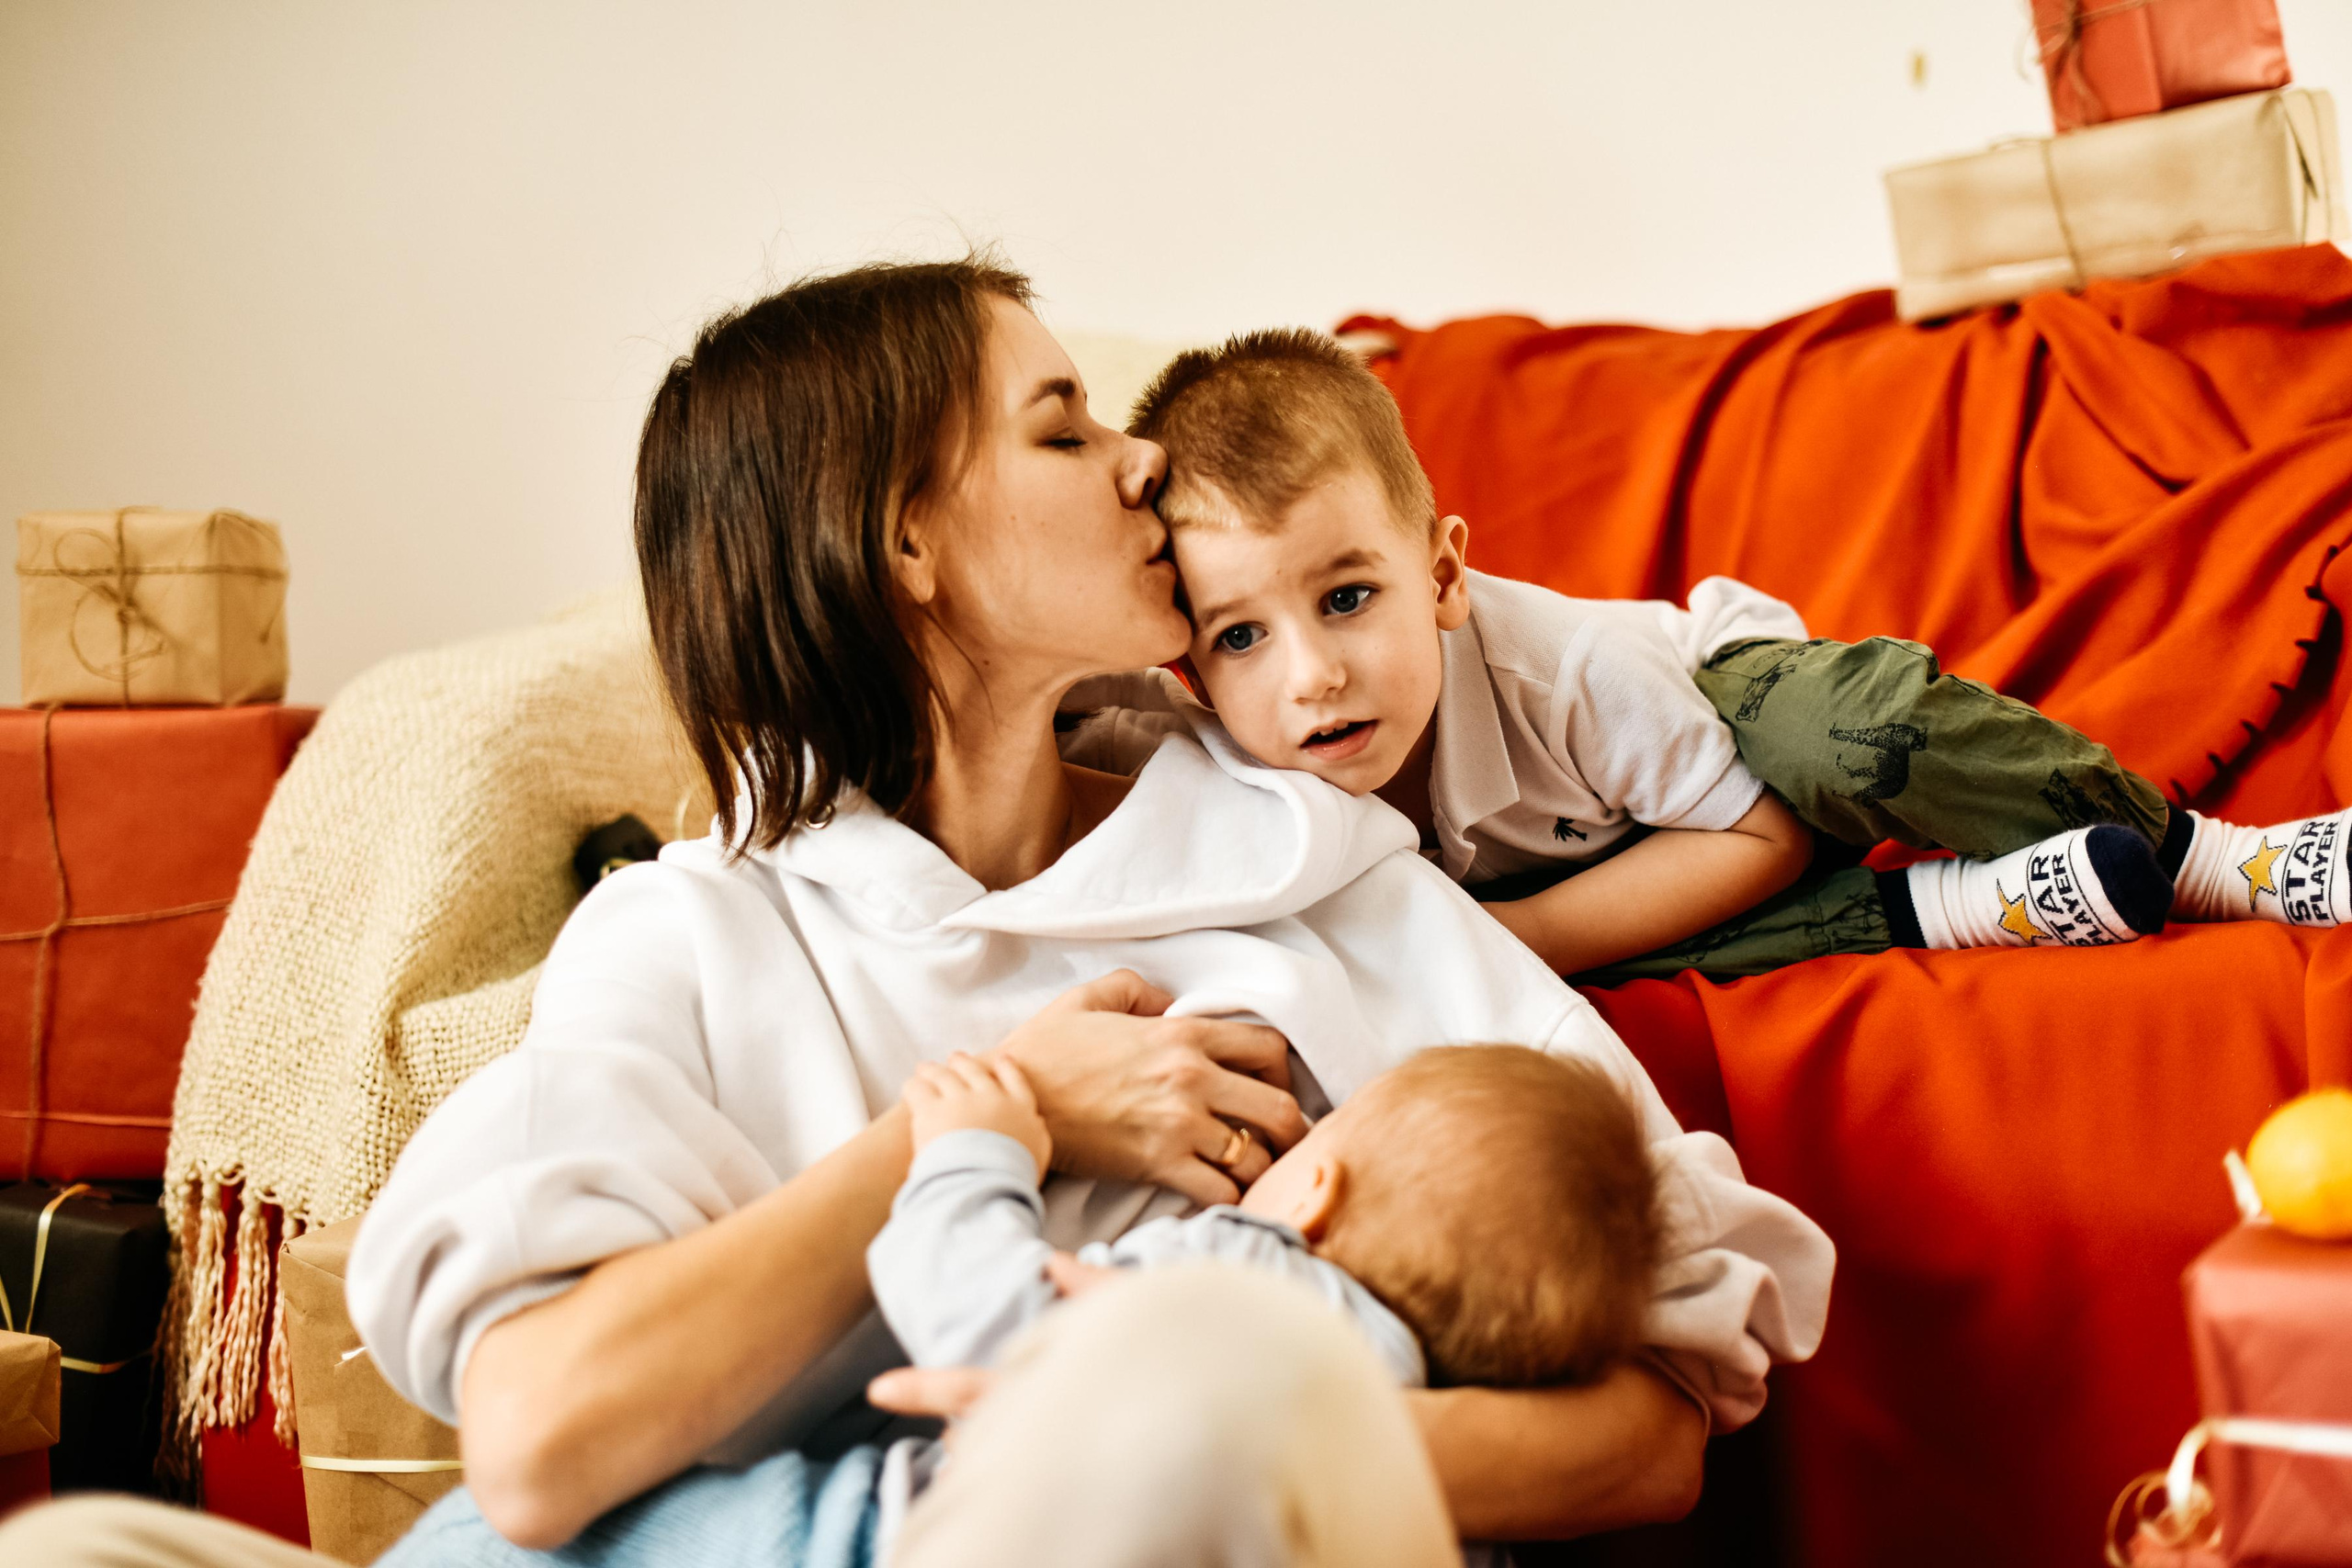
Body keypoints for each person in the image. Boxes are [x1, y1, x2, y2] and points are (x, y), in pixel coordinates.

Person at [0, 257, 1830, 1568]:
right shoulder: (692, 937)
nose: (1141, 459)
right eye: (1061, 427)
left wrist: (1188, 1424)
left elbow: (1651, 1432)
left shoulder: (1314, 870)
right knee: (76, 1545)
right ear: (905, 542)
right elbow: (542, 1446)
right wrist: (992, 1117)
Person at [1127, 328, 2351, 982]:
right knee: (1593, 970)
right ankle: (1957, 905)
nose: (1311, 675)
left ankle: (2200, 856)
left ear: (1444, 579)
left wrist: (1535, 936)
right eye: (1242, 636)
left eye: (1348, 598)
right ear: (1189, 665)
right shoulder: (1231, 764)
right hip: (1634, 857)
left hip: (1734, 747)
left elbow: (1761, 833)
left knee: (1847, 734)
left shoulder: (1569, 672)